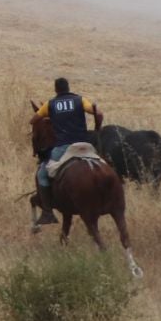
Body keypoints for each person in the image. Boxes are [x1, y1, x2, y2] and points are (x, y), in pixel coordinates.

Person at [33, 76, 103, 227]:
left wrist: (46, 114)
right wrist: (97, 129)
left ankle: (47, 212)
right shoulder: (80, 100)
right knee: (104, 165)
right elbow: (98, 113)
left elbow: (34, 120)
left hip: (63, 147)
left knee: (42, 174)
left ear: (56, 89)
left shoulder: (50, 104)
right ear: (68, 87)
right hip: (85, 144)